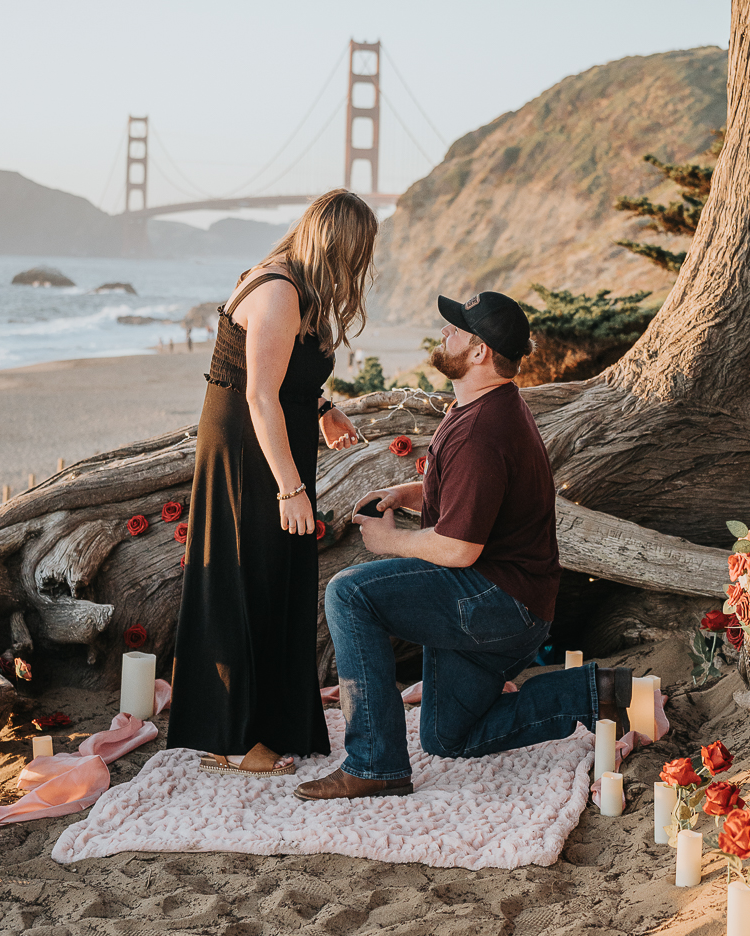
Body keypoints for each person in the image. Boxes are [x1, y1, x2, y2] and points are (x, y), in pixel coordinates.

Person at [295, 289, 631, 801]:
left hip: (498, 602)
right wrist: (403, 494)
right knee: (449, 736)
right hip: (508, 598)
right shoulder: (480, 406)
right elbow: (467, 495)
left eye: (456, 329)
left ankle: (374, 764)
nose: (444, 333)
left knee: (349, 594)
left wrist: (389, 541)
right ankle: (594, 692)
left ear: (479, 352)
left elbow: (459, 549)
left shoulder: (484, 430)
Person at [167, 189, 378, 776]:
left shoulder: (286, 282)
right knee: (252, 579)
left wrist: (323, 407)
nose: (359, 269)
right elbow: (259, 395)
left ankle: (253, 727)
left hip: (264, 439)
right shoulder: (281, 291)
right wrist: (290, 487)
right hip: (248, 452)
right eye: (357, 254)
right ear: (338, 249)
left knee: (270, 575)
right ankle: (243, 741)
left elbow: (282, 376)